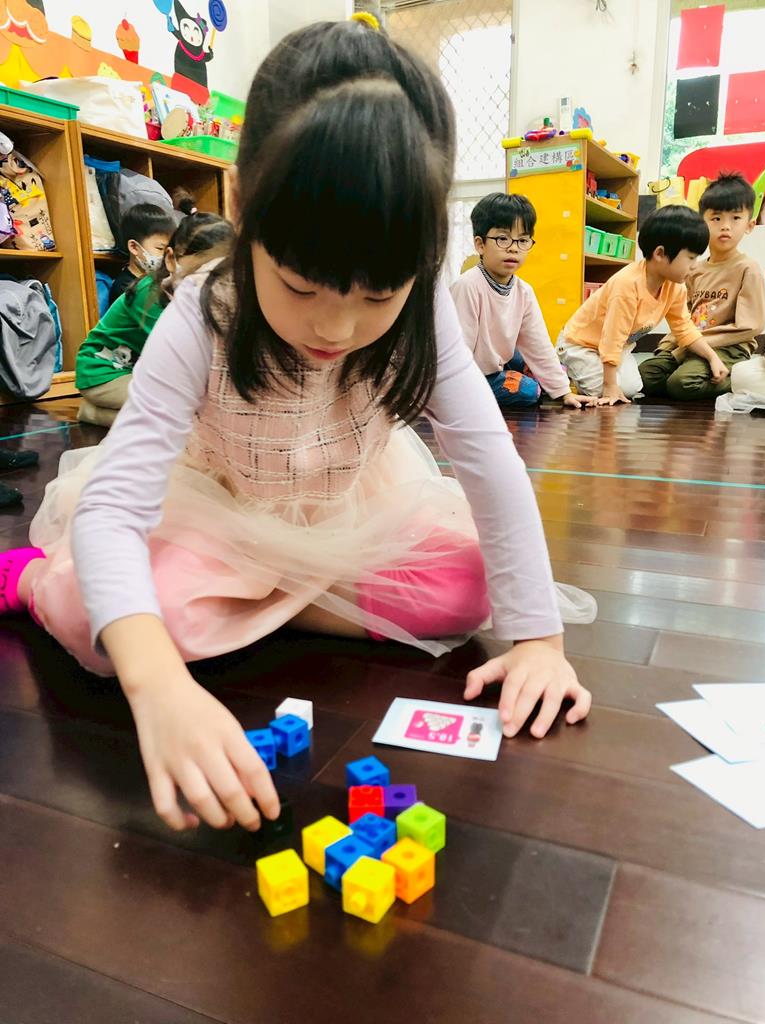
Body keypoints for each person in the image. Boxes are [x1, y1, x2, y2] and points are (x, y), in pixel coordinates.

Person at [0, 20, 594, 835]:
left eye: (376, 295)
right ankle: (35, 579)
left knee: (470, 590)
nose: (337, 328)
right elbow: (113, 511)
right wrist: (160, 687)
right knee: (114, 629)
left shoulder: (426, 308)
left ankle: (262, 599)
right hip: (214, 506)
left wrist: (538, 643)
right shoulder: (201, 314)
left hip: (343, 509)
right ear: (245, 210)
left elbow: (490, 464)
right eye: (301, 285)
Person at [557, 206, 729, 405]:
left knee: (632, 388)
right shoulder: (627, 285)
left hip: (617, 348)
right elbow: (612, 338)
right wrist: (609, 386)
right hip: (580, 344)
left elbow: (684, 328)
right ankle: (563, 369)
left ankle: (585, 375)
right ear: (660, 253)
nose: (695, 265)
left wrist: (713, 358)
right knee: (605, 390)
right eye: (691, 258)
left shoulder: (674, 286)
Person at [76, 212, 234, 427]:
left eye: (219, 272)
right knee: (181, 413)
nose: (208, 279)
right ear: (170, 260)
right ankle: (94, 413)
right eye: (197, 269)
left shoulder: (207, 294)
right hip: (104, 372)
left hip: (138, 370)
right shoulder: (150, 294)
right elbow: (183, 353)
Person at [450, 193, 594, 410]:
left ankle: (535, 381)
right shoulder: (468, 286)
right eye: (503, 239)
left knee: (551, 370)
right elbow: (457, 353)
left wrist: (564, 392)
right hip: (467, 376)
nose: (513, 248)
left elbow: (538, 344)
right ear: (480, 245)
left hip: (497, 362)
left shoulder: (524, 291)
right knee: (528, 390)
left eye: (523, 240)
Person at [639, 174, 765, 400]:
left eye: (735, 218)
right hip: (691, 343)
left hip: (728, 347)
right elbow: (680, 315)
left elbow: (749, 327)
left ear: (749, 225)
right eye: (716, 218)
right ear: (702, 224)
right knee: (644, 377)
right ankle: (685, 372)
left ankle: (740, 381)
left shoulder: (748, 268)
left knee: (682, 384)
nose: (725, 226)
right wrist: (668, 345)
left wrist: (696, 344)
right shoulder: (694, 269)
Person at [108, 203, 177, 307]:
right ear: (134, 247)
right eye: (160, 248)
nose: (166, 255)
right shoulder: (124, 287)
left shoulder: (157, 280)